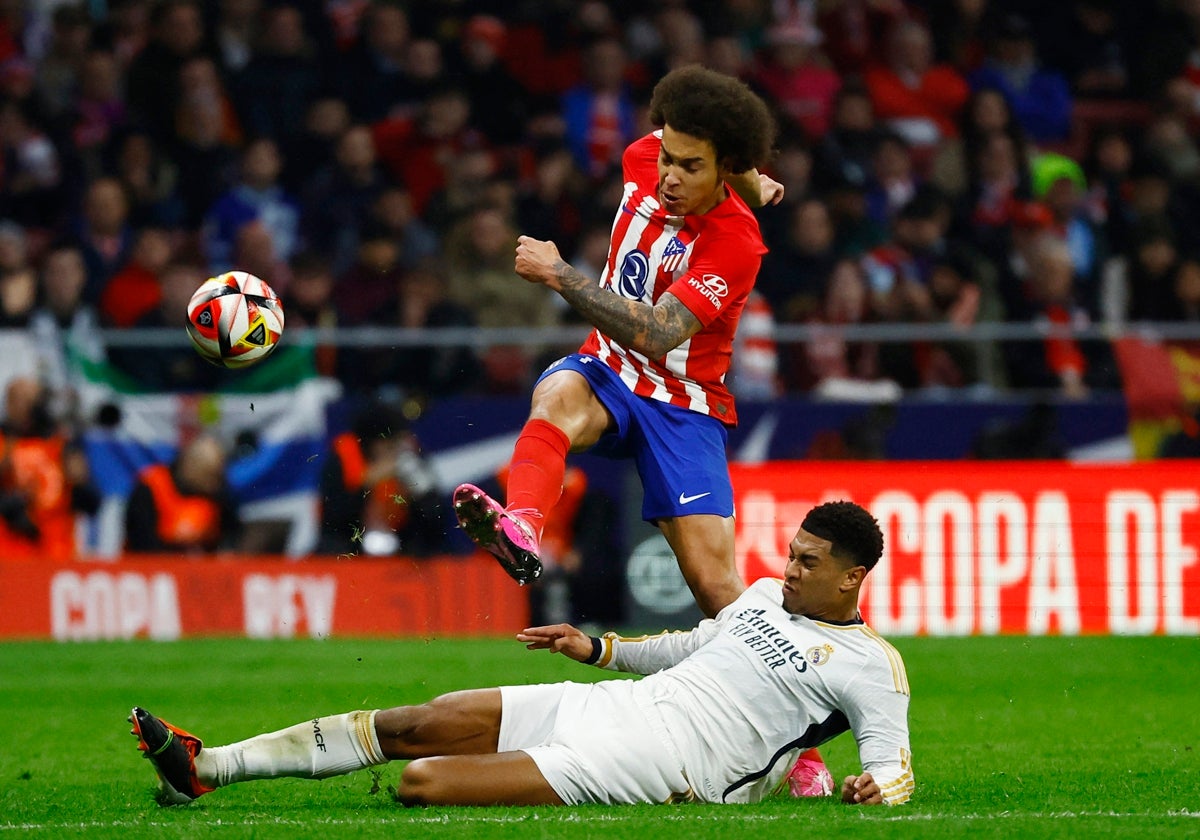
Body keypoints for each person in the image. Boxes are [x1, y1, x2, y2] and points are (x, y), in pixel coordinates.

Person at [130, 501, 913, 808]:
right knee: (421, 722)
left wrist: (873, 787)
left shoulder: (868, 664)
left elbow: (896, 766)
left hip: (669, 767)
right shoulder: (761, 601)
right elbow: (686, 647)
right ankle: (210, 766)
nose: (790, 569)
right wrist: (596, 648)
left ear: (853, 577)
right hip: (622, 707)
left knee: (420, 783)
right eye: (793, 553)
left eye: (810, 563)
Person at [452, 65, 783, 619]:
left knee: (715, 587)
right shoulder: (640, 158)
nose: (668, 176)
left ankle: (791, 690)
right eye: (667, 158)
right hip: (608, 367)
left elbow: (657, 333)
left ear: (724, 168)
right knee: (555, 396)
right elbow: (695, 147)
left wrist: (559, 274)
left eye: (689, 167)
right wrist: (752, 176)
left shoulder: (735, 244)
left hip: (684, 402)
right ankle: (523, 528)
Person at [123, 434, 241, 554]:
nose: (214, 483)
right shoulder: (152, 485)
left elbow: (230, 534)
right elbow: (141, 538)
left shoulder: (217, 494)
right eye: (209, 476)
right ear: (191, 466)